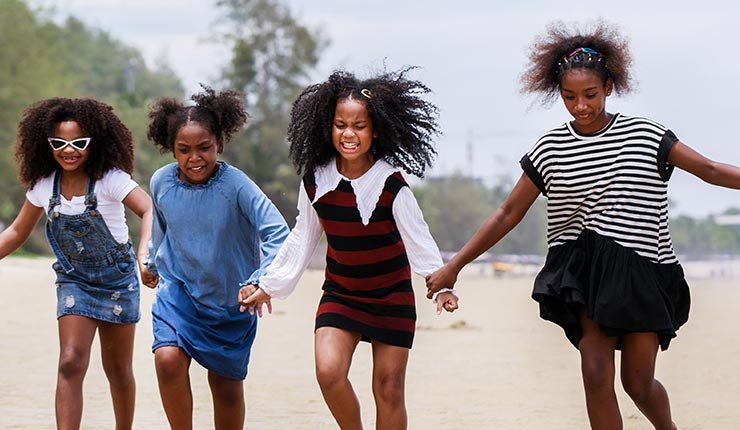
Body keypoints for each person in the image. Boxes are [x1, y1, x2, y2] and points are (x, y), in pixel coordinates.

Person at [426, 20, 740, 430]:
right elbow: (507, 212)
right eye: (569, 97)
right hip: (585, 274)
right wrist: (455, 265)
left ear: (608, 86)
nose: (580, 106)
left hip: (643, 271)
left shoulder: (646, 135)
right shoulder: (550, 148)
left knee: (637, 384)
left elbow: (709, 169)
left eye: (590, 94)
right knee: (595, 375)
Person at [239, 68, 459, 430]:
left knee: (388, 390)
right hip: (342, 295)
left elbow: (419, 239)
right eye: (340, 124)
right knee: (328, 372)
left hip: (391, 299)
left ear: (376, 131)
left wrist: (441, 287)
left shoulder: (391, 184)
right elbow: (302, 237)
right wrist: (269, 285)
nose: (349, 134)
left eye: (359, 126)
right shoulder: (316, 181)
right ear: (329, 127)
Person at [0, 97, 154, 429]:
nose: (68, 150)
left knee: (118, 370)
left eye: (78, 142)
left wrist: (144, 255)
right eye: (59, 143)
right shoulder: (44, 186)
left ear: (94, 142)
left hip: (118, 281)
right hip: (75, 281)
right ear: (47, 145)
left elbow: (149, 209)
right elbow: (15, 232)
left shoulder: (111, 180)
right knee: (70, 361)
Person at [144, 86, 289, 430]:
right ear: (171, 149)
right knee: (167, 359)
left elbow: (278, 233)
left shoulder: (237, 186)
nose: (194, 158)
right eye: (184, 150)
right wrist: (151, 262)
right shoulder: (161, 182)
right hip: (179, 294)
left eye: (204, 148)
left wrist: (259, 280)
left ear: (219, 144)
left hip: (230, 303)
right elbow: (161, 226)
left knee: (225, 387)